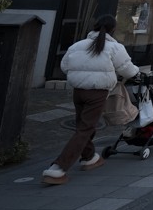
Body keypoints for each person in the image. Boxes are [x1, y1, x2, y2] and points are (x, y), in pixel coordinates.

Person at [42, 14, 140, 185]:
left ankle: (90, 158)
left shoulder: (77, 45)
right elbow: (128, 70)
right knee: (86, 128)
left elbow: (65, 66)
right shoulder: (114, 47)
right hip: (97, 93)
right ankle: (58, 168)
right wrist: (137, 73)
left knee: (82, 126)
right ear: (113, 29)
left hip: (78, 91)